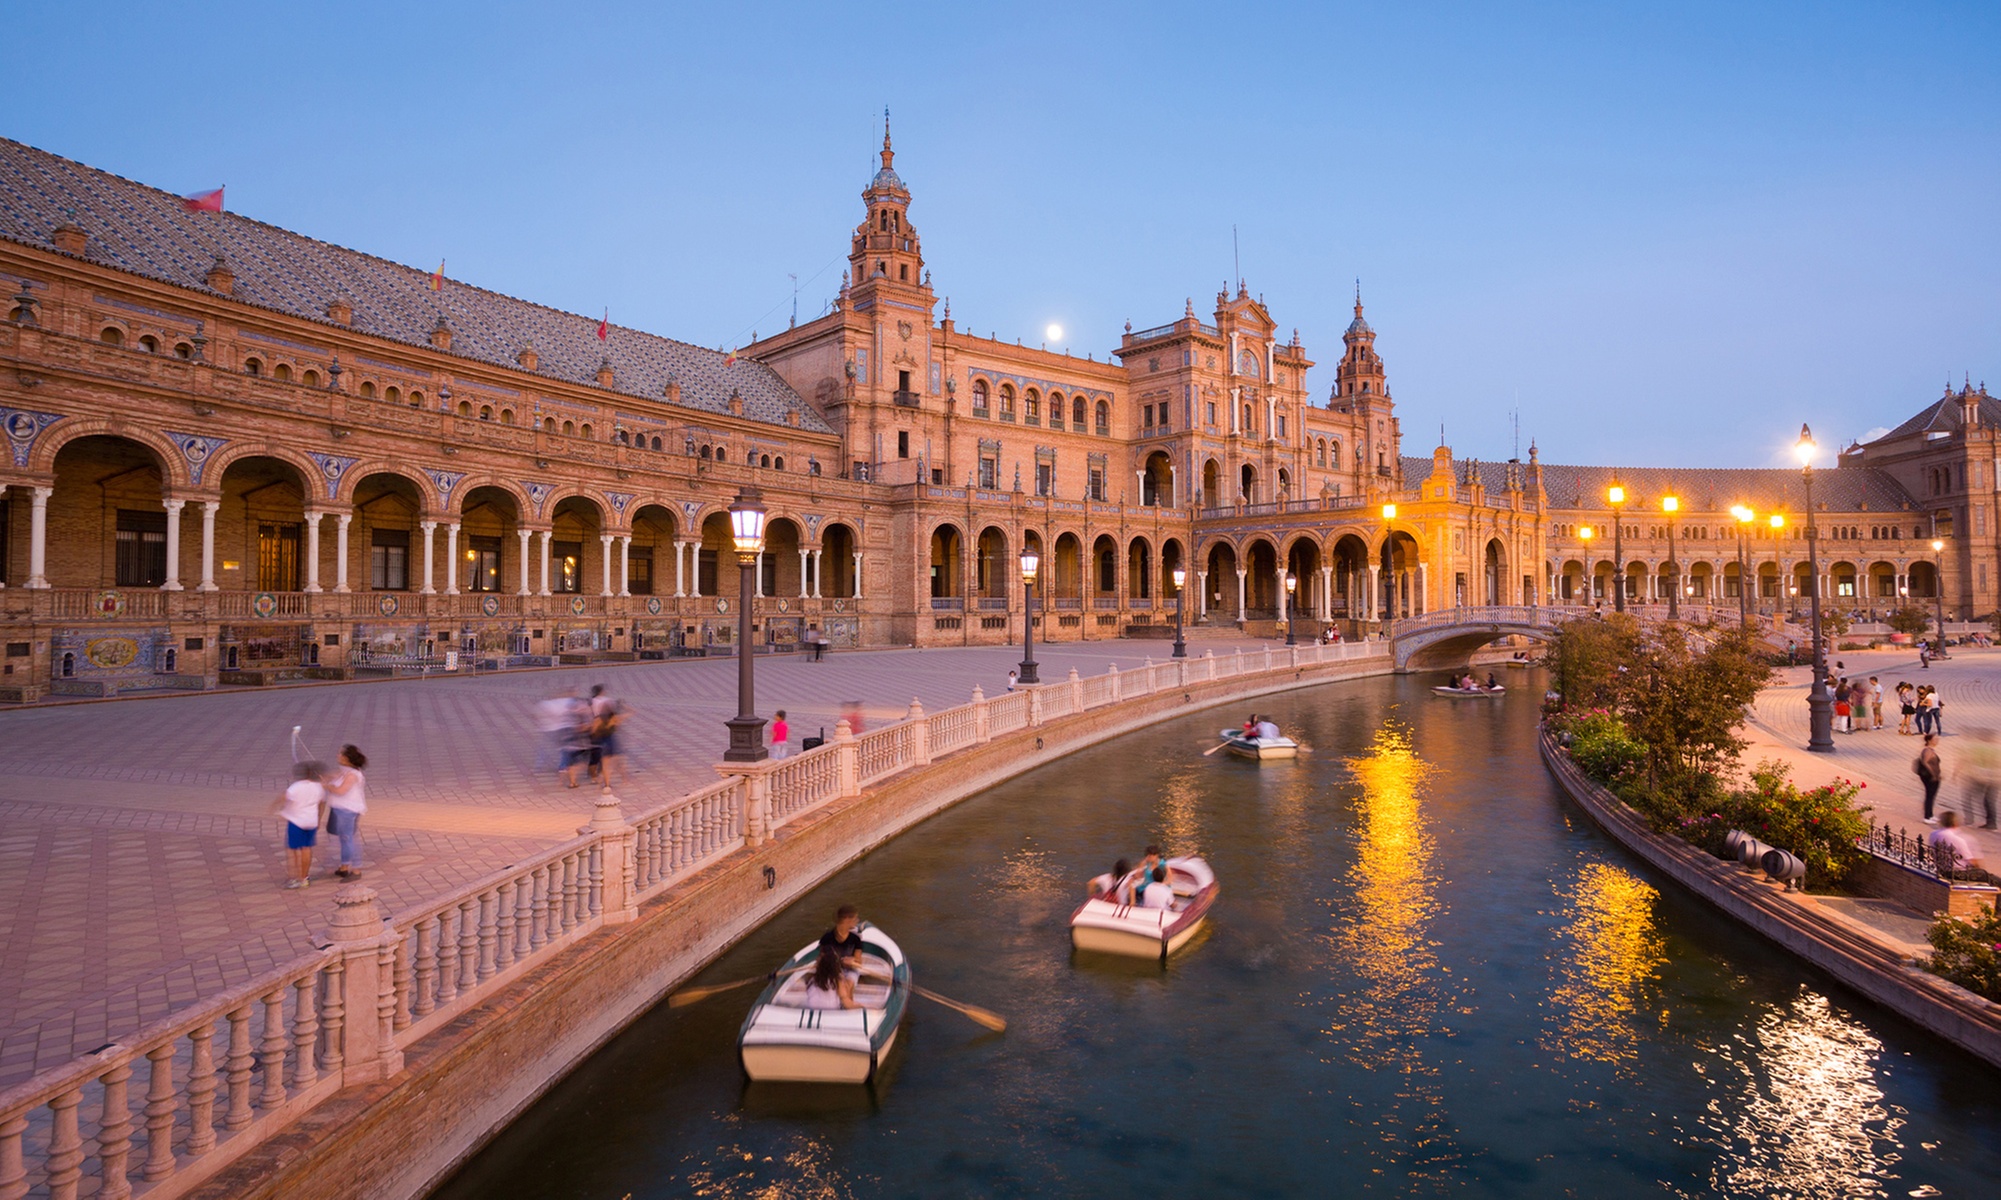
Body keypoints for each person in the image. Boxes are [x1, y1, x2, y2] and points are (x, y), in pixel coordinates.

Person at [270, 761, 325, 889]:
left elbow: (284, 797)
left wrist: (275, 808)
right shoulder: (318, 787)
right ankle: (304, 877)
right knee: (307, 849)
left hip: (296, 822)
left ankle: (294, 878)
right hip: (311, 821)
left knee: (293, 850)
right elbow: (322, 803)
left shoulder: (296, 786)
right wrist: (318, 819)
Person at [322, 745, 368, 879]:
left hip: (347, 811)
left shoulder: (352, 775)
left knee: (348, 839)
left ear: (347, 759)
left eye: (340, 754)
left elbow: (341, 791)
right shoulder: (346, 771)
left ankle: (356, 869)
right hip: (340, 810)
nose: (337, 756)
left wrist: (327, 786)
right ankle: (344, 866)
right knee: (345, 839)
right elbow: (333, 776)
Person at [798, 946, 858, 1010]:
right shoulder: (838, 980)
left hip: (812, 1009)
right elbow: (847, 1003)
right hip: (833, 1012)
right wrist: (864, 1007)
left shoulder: (810, 978)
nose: (816, 959)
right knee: (853, 975)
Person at [1963, 728, 2001, 830]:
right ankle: (1991, 822)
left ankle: (1971, 819)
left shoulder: (1979, 748)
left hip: (1981, 777)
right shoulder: (1996, 749)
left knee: (1971, 796)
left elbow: (1973, 761)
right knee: (1990, 800)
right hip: (1994, 778)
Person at [1927, 811, 1983, 879]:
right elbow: (1972, 861)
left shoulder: (1933, 834)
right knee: (1995, 880)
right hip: (1960, 873)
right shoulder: (1960, 839)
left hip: (1941, 869)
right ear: (1955, 823)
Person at [819, 904, 864, 976]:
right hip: (832, 969)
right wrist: (839, 962)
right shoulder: (827, 938)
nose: (858, 921)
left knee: (847, 984)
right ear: (846, 920)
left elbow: (858, 962)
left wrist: (852, 960)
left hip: (850, 969)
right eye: (855, 918)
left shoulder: (856, 939)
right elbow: (821, 959)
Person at [1916, 733, 1944, 824]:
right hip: (1930, 777)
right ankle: (1927, 816)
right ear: (1929, 740)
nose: (1937, 741)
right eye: (1935, 739)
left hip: (1933, 777)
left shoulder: (1931, 750)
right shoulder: (1927, 751)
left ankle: (1930, 815)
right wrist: (1933, 774)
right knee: (1929, 796)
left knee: (1931, 796)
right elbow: (1925, 762)